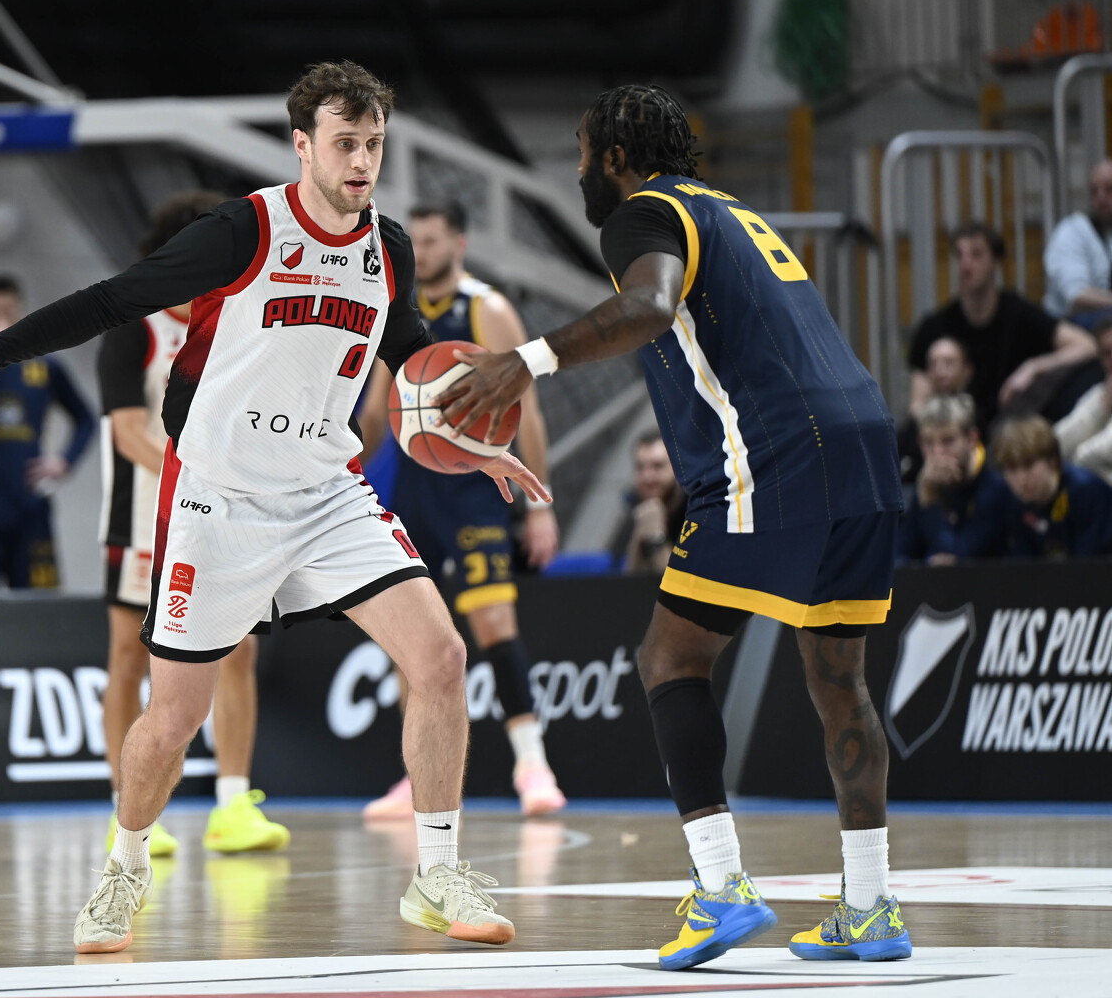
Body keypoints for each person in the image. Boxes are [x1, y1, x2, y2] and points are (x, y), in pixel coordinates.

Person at [0, 60, 548, 955]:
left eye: (373, 144)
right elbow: (116, 298)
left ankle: (435, 874)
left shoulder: (388, 247)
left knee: (440, 656)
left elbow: (409, 349)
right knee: (173, 718)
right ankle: (124, 869)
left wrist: (473, 441)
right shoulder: (245, 229)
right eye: (345, 144)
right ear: (302, 146)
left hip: (324, 489)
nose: (361, 161)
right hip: (217, 495)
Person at [437, 84, 911, 969]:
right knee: (838, 676)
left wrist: (526, 361)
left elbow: (651, 306)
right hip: (866, 444)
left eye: (583, 155)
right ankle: (870, 904)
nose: (579, 172)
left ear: (617, 158)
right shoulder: (728, 211)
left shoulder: (642, 213)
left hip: (777, 451)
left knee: (669, 659)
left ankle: (721, 885)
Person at [356, 200, 566, 819]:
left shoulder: (486, 309)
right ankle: (415, 777)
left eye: (432, 240)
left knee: (494, 622)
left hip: (477, 489)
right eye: (415, 241)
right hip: (414, 491)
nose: (421, 252)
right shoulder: (400, 312)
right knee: (409, 636)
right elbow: (376, 412)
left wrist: (540, 508)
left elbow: (528, 411)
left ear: (460, 244)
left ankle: (532, 765)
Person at [97, 191, 288, 859]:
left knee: (238, 651)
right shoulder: (133, 322)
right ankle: (129, 807)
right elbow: (127, 432)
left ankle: (233, 804)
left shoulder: (241, 320)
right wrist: (192, 478)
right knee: (130, 658)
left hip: (225, 519)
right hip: (143, 518)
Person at [0, 275, 96, 589]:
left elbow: (86, 419)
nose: (0, 319)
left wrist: (64, 462)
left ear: (21, 311)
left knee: (38, 604)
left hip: (29, 508)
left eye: (7, 311)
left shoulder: (46, 366)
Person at [908, 223, 1094, 430]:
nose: (966, 264)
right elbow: (918, 405)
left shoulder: (1019, 314)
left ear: (996, 262)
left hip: (1011, 431)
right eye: (960, 255)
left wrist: (1033, 367)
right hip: (953, 433)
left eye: (976, 254)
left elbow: (1086, 345)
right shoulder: (934, 327)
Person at [896, 394, 1011, 564]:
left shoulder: (995, 486)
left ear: (971, 439)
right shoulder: (929, 481)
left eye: (948, 441)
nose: (938, 453)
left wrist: (929, 499)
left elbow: (958, 559)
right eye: (928, 442)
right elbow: (900, 553)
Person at [994, 415, 1112, 558]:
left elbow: (1091, 562)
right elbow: (1020, 562)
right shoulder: (1012, 501)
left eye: (1028, 465)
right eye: (1012, 469)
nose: (1021, 479)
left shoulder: (1087, 491)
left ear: (1052, 461)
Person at [898, 335, 975, 483]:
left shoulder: (980, 419)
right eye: (933, 364)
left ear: (967, 370)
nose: (940, 370)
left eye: (948, 363)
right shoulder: (913, 426)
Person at [610, 428, 686, 573]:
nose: (647, 477)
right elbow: (626, 580)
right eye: (640, 467)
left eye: (658, 466)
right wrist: (638, 540)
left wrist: (656, 537)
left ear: (677, 468)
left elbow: (684, 582)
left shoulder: (696, 511)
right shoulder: (634, 505)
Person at [1045, 159, 1112, 320]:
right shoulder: (1071, 231)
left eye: (1109, 189)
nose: (1101, 198)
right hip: (1071, 323)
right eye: (1094, 191)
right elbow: (1077, 297)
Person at [1054, 316, 1112, 487]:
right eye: (1107, 353)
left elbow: (1092, 456)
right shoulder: (1099, 394)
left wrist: (1077, 460)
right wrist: (1103, 405)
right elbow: (1053, 444)